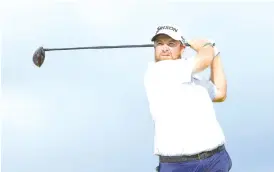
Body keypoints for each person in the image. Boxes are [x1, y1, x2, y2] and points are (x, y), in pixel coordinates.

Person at [144, 25, 232, 172]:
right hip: (179, 165)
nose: (164, 48)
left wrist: (215, 54)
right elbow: (204, 59)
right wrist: (206, 45)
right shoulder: (157, 71)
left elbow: (220, 93)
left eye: (171, 44)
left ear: (182, 48)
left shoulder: (193, 77)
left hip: (216, 158)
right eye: (159, 44)